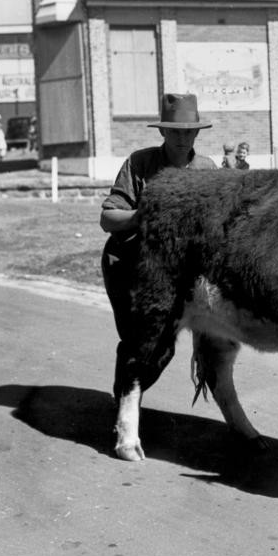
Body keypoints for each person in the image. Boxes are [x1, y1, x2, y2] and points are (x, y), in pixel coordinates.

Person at [99, 92, 216, 376]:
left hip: (176, 274)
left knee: (162, 347)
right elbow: (107, 218)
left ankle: (127, 402)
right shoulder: (140, 163)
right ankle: (126, 405)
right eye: (175, 131)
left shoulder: (206, 170)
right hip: (127, 264)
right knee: (140, 343)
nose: (182, 138)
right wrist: (145, 215)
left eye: (189, 132)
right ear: (162, 130)